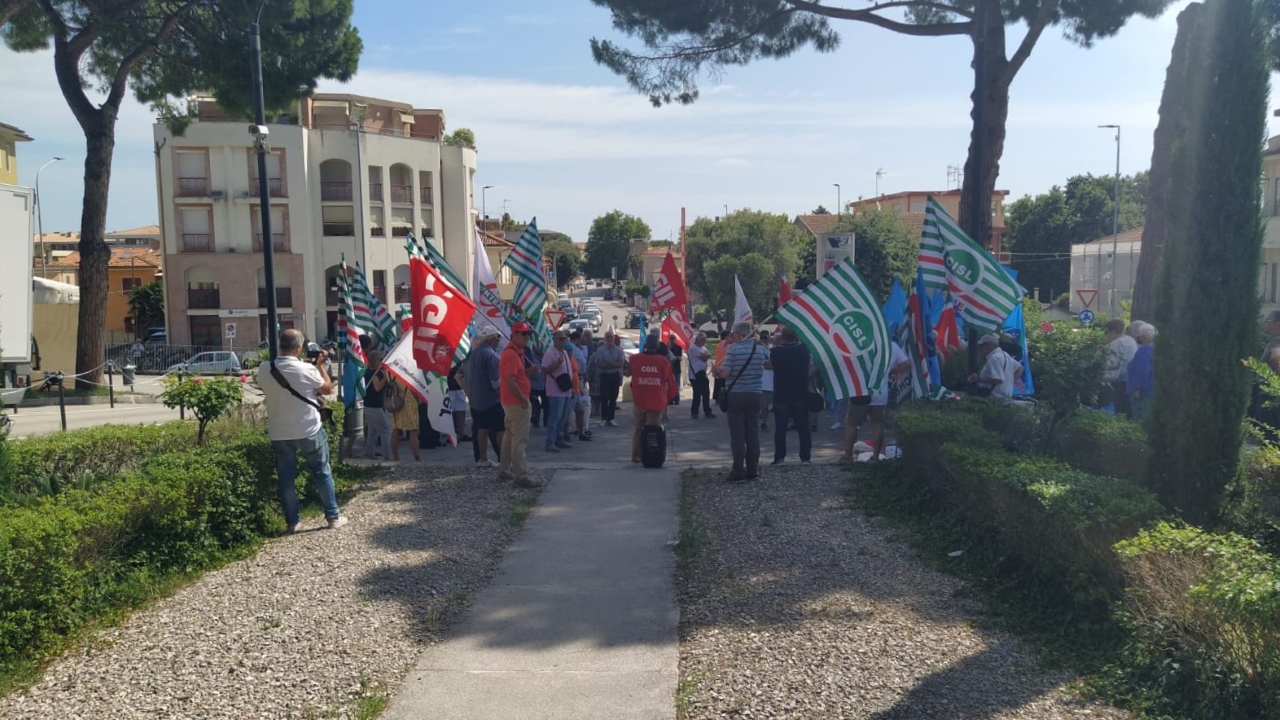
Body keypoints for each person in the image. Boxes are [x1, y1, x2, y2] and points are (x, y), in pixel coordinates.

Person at [258, 329, 345, 532]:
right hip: (308, 429)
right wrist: (320, 365)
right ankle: (332, 518)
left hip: (279, 432)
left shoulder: (264, 368)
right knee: (322, 472)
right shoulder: (307, 369)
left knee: (286, 478)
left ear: (280, 345)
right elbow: (327, 389)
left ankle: (293, 522)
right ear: (298, 348)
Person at [840, 341, 910, 463]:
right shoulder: (891, 346)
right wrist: (890, 371)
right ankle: (875, 456)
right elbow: (906, 363)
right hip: (880, 392)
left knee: (852, 424)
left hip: (861, 391)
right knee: (877, 425)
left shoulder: (861, 343)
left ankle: (848, 456)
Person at [715, 322, 768, 482]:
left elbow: (725, 374)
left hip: (736, 394)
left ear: (739, 334)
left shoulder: (734, 350)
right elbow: (769, 361)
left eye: (734, 335)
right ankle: (753, 469)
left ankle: (738, 471)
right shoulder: (760, 350)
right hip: (756, 393)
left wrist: (715, 370)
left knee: (737, 434)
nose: (732, 337)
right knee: (752, 431)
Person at [499, 322, 541, 488]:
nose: (526, 337)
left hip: (512, 402)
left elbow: (516, 375)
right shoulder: (511, 354)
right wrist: (523, 399)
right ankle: (520, 476)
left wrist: (529, 372)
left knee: (510, 438)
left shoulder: (516, 353)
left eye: (527, 334)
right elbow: (510, 380)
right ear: (514, 334)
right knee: (519, 440)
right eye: (523, 334)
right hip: (517, 403)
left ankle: (504, 471)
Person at [627, 334, 676, 463]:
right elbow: (669, 381)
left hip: (639, 398)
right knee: (653, 428)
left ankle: (636, 455)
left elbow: (627, 372)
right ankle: (651, 454)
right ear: (657, 346)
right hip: (656, 399)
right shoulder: (663, 362)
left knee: (638, 428)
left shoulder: (635, 359)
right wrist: (669, 397)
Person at [769, 327, 814, 465]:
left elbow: (773, 366)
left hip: (781, 394)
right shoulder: (803, 350)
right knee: (803, 427)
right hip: (800, 393)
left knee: (781, 428)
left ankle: (780, 457)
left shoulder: (775, 352)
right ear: (796, 337)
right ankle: (805, 457)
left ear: (781, 337)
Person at [467, 330, 505, 467]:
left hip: (477, 399)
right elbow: (496, 382)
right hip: (492, 400)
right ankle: (505, 461)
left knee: (482, 430)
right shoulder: (491, 355)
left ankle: (482, 459)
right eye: (498, 337)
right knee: (500, 430)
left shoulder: (475, 354)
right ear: (491, 338)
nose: (499, 340)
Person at [541, 331, 577, 452]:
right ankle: (550, 441)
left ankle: (559, 438)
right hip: (555, 390)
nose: (563, 341)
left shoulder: (565, 352)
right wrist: (556, 365)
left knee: (563, 417)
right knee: (555, 416)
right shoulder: (550, 353)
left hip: (565, 389)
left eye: (565, 339)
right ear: (555, 340)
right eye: (561, 339)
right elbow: (544, 370)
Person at [968, 333, 1021, 400]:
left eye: (981, 346)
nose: (980, 348)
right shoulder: (1004, 355)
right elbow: (1019, 368)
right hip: (1005, 397)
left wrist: (978, 379)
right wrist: (1009, 384)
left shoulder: (994, 358)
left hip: (994, 397)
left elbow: (998, 379)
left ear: (988, 345)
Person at [1103, 319, 1139, 416]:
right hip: (1130, 378)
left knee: (1119, 408)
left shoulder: (1116, 343)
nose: (1106, 336)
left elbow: (1112, 363)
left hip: (1118, 379)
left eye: (1106, 332)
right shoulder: (1130, 340)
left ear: (1112, 331)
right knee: (1128, 407)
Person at [592, 330, 627, 426]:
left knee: (613, 397)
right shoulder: (600, 350)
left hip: (615, 375)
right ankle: (604, 418)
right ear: (605, 339)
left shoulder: (619, 350)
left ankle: (611, 418)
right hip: (604, 376)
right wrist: (612, 364)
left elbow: (621, 363)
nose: (610, 339)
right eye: (608, 337)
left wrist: (608, 364)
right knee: (604, 397)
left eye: (611, 337)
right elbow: (599, 363)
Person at [362, 350, 391, 459]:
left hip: (368, 404)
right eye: (380, 359)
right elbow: (377, 387)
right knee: (386, 431)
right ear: (376, 360)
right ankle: (387, 456)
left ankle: (370, 453)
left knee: (373, 431)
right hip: (375, 406)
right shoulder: (374, 373)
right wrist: (385, 377)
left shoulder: (367, 371)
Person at [1127, 322, 1156, 422]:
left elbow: (1142, 371)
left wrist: (1137, 389)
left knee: (1140, 418)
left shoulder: (1143, 351)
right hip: (1152, 389)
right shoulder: (1154, 350)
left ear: (1143, 336)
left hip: (1142, 393)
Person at [388, 377, 421, 462]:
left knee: (395, 430)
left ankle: (396, 457)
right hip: (409, 401)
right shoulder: (408, 369)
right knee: (413, 431)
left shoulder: (389, 369)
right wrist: (418, 399)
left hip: (394, 400)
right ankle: (417, 457)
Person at [571, 329, 594, 442]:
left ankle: (579, 429)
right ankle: (580, 429)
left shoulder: (575, 349)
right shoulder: (573, 349)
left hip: (578, 379)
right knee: (583, 405)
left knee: (578, 407)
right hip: (576, 379)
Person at [688, 332, 715, 419]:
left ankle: (704, 411)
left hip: (702, 372)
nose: (705, 342)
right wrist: (706, 355)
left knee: (705, 393)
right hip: (696, 373)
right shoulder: (693, 348)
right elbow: (704, 358)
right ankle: (697, 412)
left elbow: (708, 354)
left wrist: (706, 355)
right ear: (699, 340)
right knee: (698, 394)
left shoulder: (702, 347)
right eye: (704, 340)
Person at [526, 343, 549, 428]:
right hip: (533, 384)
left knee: (547, 404)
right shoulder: (530, 357)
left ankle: (547, 422)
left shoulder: (544, 357)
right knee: (535, 404)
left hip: (544, 384)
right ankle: (535, 419)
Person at [447, 363, 470, 443]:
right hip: (448, 387)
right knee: (449, 412)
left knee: (462, 410)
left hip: (459, 387)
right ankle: (450, 435)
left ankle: (461, 434)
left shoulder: (459, 356)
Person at [758, 330, 774, 432]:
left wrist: (769, 364)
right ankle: (763, 422)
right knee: (763, 405)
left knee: (769, 404)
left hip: (772, 381)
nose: (764, 339)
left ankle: (765, 421)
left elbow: (773, 364)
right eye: (762, 338)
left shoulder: (773, 348)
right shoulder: (757, 349)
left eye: (766, 337)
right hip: (761, 381)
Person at [668, 334, 684, 405]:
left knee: (676, 384)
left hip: (676, 368)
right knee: (669, 384)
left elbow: (680, 357)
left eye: (673, 339)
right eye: (670, 339)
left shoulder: (678, 347)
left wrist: (674, 358)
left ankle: (677, 400)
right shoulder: (667, 348)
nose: (671, 340)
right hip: (669, 368)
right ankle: (670, 399)